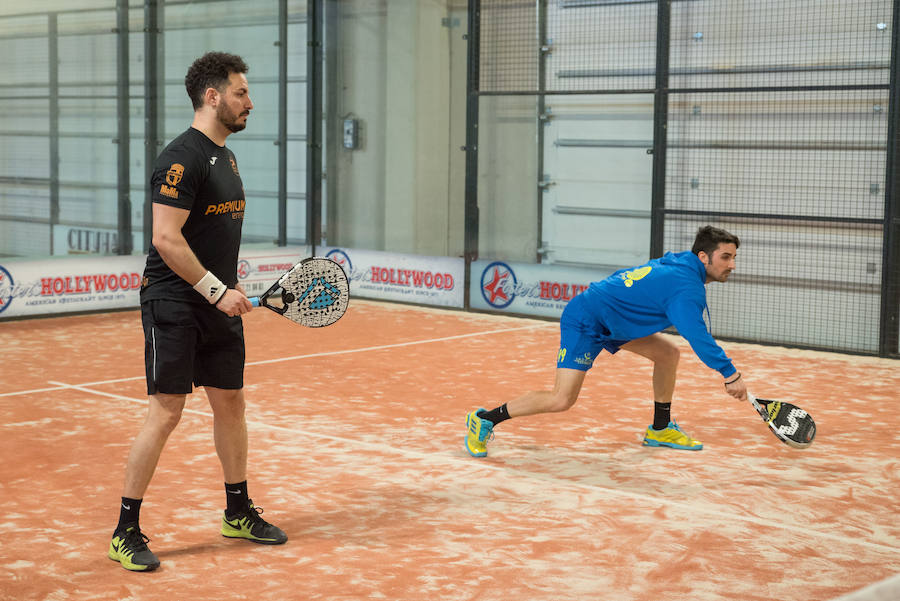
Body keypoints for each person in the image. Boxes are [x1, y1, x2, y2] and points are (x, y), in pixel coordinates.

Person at [108, 52, 286, 572]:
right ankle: (125, 530)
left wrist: (226, 288)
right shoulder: (181, 158)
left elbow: (210, 234)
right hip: (174, 301)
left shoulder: (225, 156)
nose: (249, 102)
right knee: (166, 411)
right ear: (213, 96)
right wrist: (214, 289)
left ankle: (237, 511)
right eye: (241, 93)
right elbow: (166, 238)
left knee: (231, 403)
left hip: (216, 299)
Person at [464, 225, 748, 458]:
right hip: (587, 319)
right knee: (561, 399)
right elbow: (697, 336)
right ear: (703, 257)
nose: (732, 265)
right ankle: (485, 419)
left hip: (614, 321)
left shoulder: (680, 263)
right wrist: (729, 374)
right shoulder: (686, 287)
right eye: (725, 257)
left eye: (733, 257)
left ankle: (660, 428)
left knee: (667, 354)